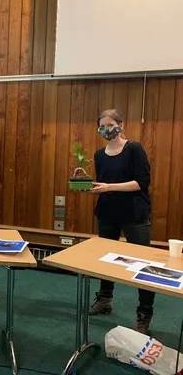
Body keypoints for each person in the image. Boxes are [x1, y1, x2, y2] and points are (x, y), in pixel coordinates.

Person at [88, 109, 154, 334]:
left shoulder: (134, 149)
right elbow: (104, 184)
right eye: (102, 125)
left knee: (143, 265)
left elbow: (142, 182)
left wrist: (110, 187)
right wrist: (96, 189)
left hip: (135, 214)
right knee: (107, 261)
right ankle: (105, 299)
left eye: (110, 124)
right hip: (107, 213)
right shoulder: (99, 154)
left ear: (121, 125)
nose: (106, 129)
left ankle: (144, 314)